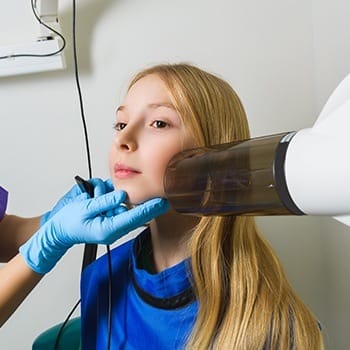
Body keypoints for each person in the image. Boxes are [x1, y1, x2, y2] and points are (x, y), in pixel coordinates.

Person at [80, 63, 324, 349]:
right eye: (120, 124)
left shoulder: (277, 327)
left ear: (214, 156)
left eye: (159, 123)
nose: (123, 139)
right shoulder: (101, 276)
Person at [0, 180, 168, 327]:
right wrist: (52, 237)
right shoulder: (100, 276)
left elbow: (5, 235)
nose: (120, 142)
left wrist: (50, 221)